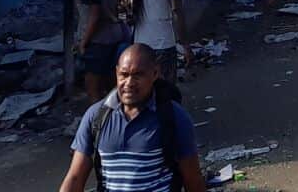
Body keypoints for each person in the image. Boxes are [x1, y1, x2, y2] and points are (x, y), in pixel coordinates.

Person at [59, 44, 204, 192]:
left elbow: (193, 179)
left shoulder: (173, 117)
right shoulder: (96, 116)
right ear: (116, 73)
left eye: (138, 75)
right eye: (124, 74)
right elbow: (75, 178)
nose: (129, 83)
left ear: (154, 74)